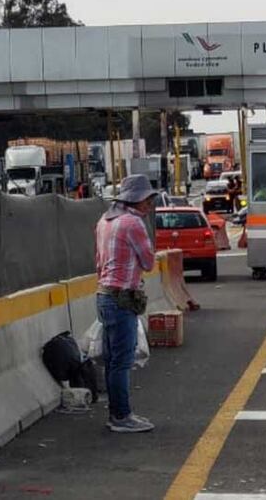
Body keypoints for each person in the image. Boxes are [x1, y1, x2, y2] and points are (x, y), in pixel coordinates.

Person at [94, 174, 157, 433]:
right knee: (122, 362)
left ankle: (117, 413)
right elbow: (149, 262)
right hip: (122, 298)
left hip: (104, 295)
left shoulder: (104, 221)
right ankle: (121, 416)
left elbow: (98, 261)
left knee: (112, 361)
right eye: (147, 200)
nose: (149, 206)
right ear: (136, 200)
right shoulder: (133, 223)